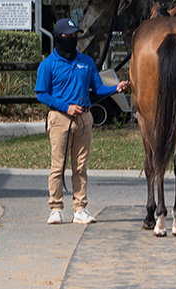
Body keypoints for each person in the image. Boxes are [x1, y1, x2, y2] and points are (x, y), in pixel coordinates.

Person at [35, 17, 130, 225]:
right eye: (68, 36)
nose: (72, 39)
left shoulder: (86, 62)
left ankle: (80, 208)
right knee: (57, 165)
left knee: (80, 166)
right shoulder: (48, 64)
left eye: (75, 35)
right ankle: (56, 208)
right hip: (60, 119)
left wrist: (116, 88)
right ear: (59, 38)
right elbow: (42, 94)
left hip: (85, 118)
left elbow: (97, 89)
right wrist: (65, 106)